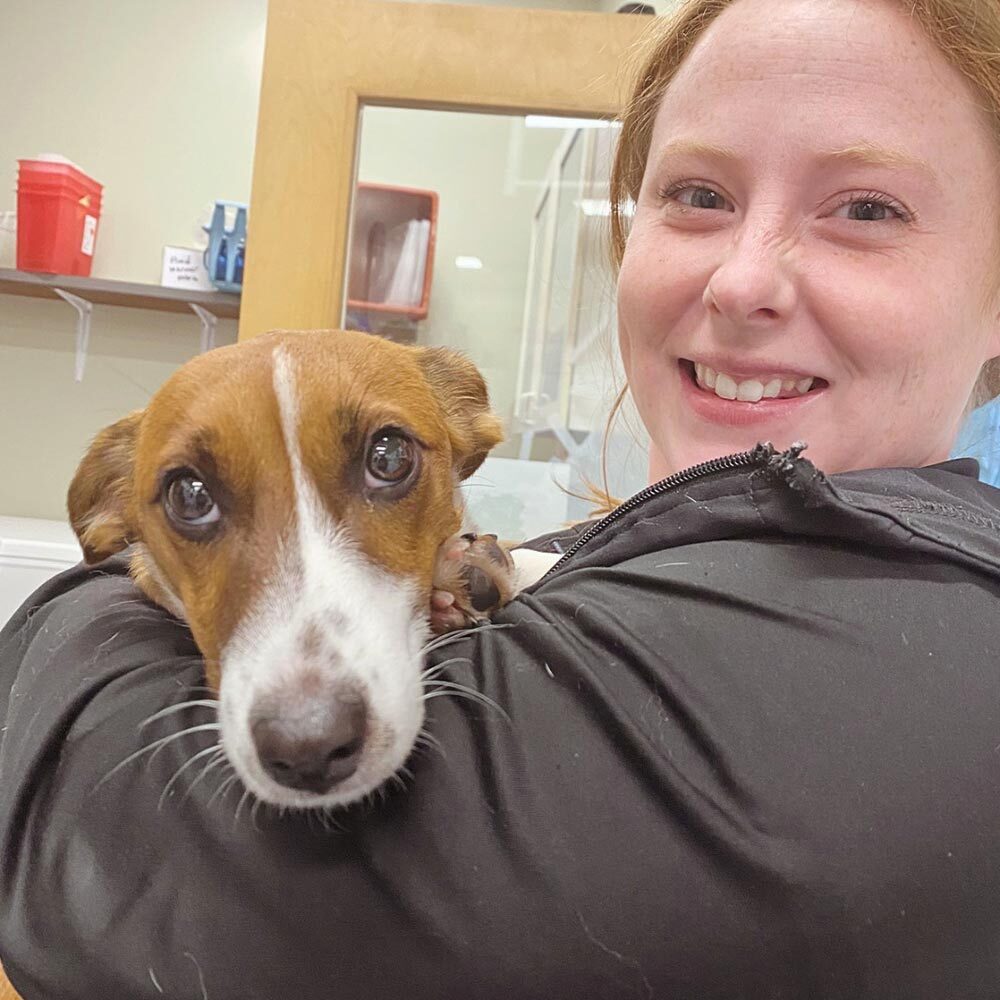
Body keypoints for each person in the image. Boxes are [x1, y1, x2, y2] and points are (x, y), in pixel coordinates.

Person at [3, 0, 1000, 996]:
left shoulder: (933, 666)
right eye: (697, 192)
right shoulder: (629, 544)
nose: (743, 283)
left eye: (868, 208)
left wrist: (96, 608)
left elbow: (113, 851)